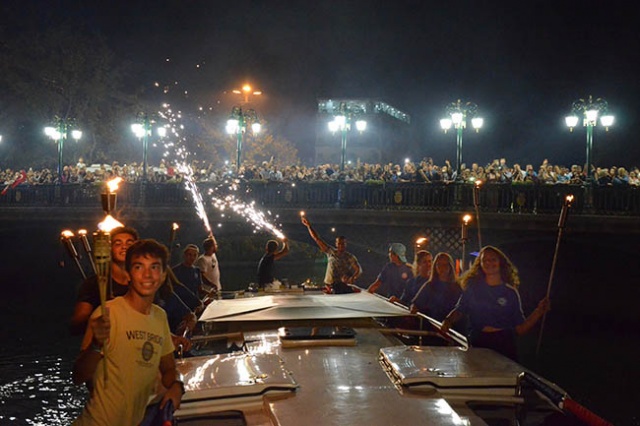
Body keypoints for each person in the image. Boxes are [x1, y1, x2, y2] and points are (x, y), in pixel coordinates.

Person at [72, 239, 184, 425]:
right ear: (128, 274)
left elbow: (169, 368)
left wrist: (177, 385)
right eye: (139, 267)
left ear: (164, 275)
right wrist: (96, 345)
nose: (147, 275)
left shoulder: (159, 317)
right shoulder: (107, 313)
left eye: (154, 267)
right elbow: (78, 376)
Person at [440, 246, 550, 361]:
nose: (489, 263)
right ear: (480, 264)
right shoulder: (472, 289)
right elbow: (460, 310)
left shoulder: (510, 292)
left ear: (500, 263)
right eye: (485, 260)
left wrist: (539, 311)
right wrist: (448, 320)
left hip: (504, 346)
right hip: (478, 344)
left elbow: (520, 329)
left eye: (493, 259)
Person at [69, 226, 138, 336]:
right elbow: (78, 323)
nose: (124, 247)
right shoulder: (94, 284)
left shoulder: (143, 283)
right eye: (118, 243)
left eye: (129, 244)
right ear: (109, 248)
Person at [301, 215, 362, 294]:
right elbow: (317, 239)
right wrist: (309, 226)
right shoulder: (330, 252)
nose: (341, 245)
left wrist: (353, 278)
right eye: (339, 243)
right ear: (336, 244)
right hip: (329, 285)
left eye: (343, 244)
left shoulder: (349, 257)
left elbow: (359, 269)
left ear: (346, 244)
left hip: (341, 286)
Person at [410, 252, 462, 322]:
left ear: (450, 267)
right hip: (431, 326)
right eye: (439, 265)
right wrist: (413, 308)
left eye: (445, 265)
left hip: (449, 328)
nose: (442, 268)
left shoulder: (456, 287)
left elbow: (460, 309)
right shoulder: (430, 285)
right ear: (435, 267)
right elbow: (417, 303)